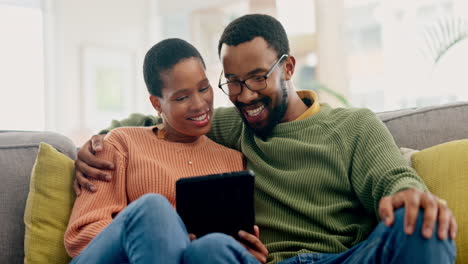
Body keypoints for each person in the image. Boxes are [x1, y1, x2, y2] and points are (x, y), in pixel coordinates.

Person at [74, 14, 457, 264]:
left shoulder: (354, 126)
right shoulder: (233, 126)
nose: (245, 95)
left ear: (288, 67)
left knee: (418, 221)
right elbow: (167, 121)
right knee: (207, 251)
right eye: (234, 82)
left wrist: (410, 192)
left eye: (258, 77)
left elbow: (392, 180)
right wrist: (97, 143)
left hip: (346, 258)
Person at [64, 38, 268, 264]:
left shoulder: (231, 159)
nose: (200, 104)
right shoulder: (120, 144)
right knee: (154, 208)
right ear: (156, 104)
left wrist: (247, 254)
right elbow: (81, 237)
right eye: (182, 97)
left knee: (213, 247)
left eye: (204, 88)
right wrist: (160, 236)